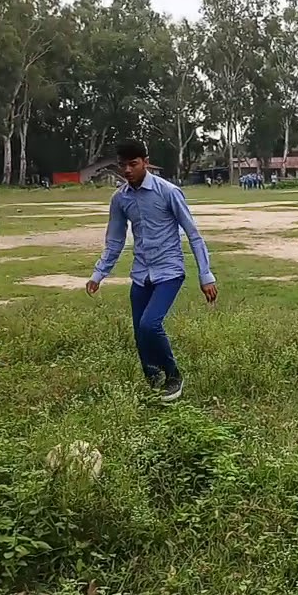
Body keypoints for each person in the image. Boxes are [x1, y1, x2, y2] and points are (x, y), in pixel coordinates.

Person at [86, 139, 217, 402]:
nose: (127, 171)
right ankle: (153, 381)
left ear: (146, 162)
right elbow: (115, 240)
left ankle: (173, 376)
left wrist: (205, 275)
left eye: (133, 164)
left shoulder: (168, 191)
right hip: (141, 274)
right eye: (123, 165)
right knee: (139, 331)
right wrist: (99, 273)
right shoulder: (120, 198)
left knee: (150, 324)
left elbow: (193, 234)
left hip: (169, 271)